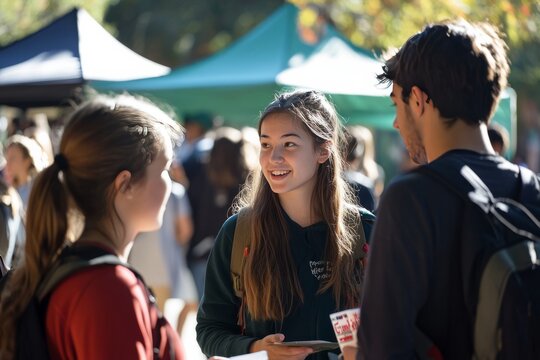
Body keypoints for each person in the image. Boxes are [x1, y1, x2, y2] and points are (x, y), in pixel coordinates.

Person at [342, 20, 539, 359]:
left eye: (396, 105)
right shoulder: (532, 189)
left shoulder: (410, 198)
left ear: (417, 100)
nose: (396, 123)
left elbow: (382, 347)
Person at [0, 94, 185, 359]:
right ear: (125, 184)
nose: (170, 182)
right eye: (165, 168)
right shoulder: (109, 289)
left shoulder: (78, 271)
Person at [196, 90, 375, 360]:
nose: (274, 157)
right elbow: (210, 330)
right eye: (266, 144)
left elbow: (397, 322)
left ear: (323, 150)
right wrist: (257, 349)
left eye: (289, 144)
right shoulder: (238, 233)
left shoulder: (366, 230)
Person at [187, 126, 257, 300]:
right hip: (238, 254)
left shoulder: (198, 175)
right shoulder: (248, 180)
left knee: (206, 311)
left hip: (200, 254)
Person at [4, 134, 48, 209]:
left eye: (13, 158)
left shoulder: (40, 189)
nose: (8, 164)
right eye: (7, 159)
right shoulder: (10, 191)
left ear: (27, 160)